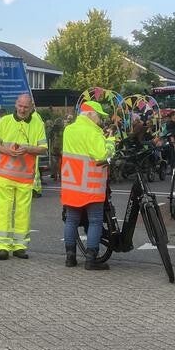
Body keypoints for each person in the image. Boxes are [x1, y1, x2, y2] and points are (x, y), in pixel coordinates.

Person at [0, 93, 47, 260]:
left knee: (23, 212)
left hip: (25, 176)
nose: (22, 110)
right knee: (3, 210)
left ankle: (20, 246)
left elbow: (43, 148)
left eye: (26, 107)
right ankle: (3, 246)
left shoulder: (37, 124)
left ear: (31, 108)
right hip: (5, 174)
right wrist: (8, 151)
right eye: (20, 106)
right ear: (16, 104)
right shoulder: (5, 121)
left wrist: (28, 149)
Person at [61, 101, 114, 270]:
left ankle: (70, 258)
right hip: (91, 183)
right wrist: (110, 140)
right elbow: (102, 155)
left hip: (72, 183)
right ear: (90, 114)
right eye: (98, 116)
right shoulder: (93, 132)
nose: (100, 120)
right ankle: (91, 260)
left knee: (71, 220)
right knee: (95, 220)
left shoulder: (68, 130)